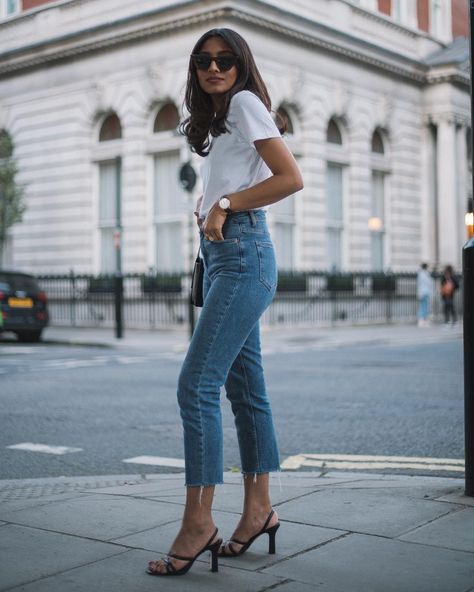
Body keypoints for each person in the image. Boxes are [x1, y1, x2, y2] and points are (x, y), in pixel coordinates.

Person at [146, 28, 303, 576]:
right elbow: (239, 177)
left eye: (225, 59)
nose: (214, 67)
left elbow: (290, 178)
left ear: (241, 65)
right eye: (204, 60)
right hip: (225, 258)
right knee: (245, 390)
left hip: (242, 255)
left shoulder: (244, 102)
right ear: (195, 69)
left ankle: (198, 521)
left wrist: (225, 204)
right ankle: (259, 508)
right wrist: (208, 205)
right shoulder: (221, 118)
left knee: (197, 384)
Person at [416, 262, 433, 327]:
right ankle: (421, 320)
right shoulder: (424, 274)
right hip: (424, 292)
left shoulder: (422, 274)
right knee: (423, 306)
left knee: (424, 306)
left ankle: (423, 320)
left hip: (424, 292)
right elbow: (421, 284)